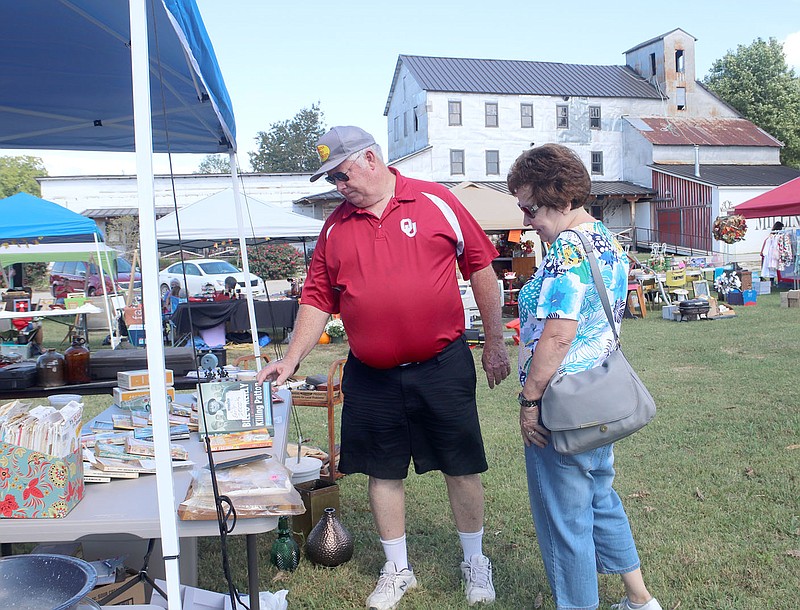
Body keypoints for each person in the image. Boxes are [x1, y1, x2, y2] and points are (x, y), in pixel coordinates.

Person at [256, 125, 510, 609]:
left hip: (442, 364)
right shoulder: (335, 226)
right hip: (370, 373)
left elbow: (480, 267)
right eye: (331, 180)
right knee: (381, 471)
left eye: (342, 174)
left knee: (460, 466)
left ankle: (475, 560)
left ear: (371, 159)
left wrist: (495, 342)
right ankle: (398, 569)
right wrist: (290, 360)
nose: (338, 186)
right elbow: (317, 297)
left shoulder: (436, 201)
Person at [507, 144, 662, 610]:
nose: (527, 217)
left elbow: (558, 334)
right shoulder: (605, 238)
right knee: (600, 498)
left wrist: (531, 399)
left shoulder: (568, 248)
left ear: (554, 194)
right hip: (600, 396)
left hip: (563, 405)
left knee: (566, 520)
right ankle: (640, 600)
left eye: (527, 206)